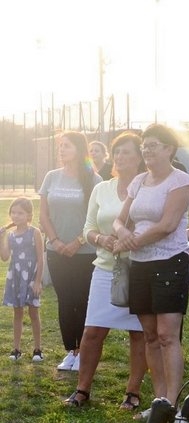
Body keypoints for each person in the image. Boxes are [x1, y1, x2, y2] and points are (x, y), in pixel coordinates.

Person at [113, 124, 189, 411]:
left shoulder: (180, 181)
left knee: (167, 335)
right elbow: (119, 220)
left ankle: (172, 401)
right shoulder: (138, 182)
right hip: (140, 266)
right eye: (144, 145)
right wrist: (122, 233)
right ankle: (159, 401)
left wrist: (131, 241)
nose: (146, 150)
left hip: (169, 262)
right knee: (150, 335)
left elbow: (168, 225)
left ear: (169, 149)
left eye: (153, 145)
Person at [64, 132, 147, 407]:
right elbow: (88, 228)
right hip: (104, 269)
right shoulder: (101, 189)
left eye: (127, 152)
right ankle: (83, 390)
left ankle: (132, 393)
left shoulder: (148, 188)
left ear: (140, 157)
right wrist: (102, 239)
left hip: (141, 269)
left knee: (139, 333)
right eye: (118, 152)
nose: (121, 157)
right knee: (92, 332)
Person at [39, 131, 102, 371]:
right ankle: (70, 351)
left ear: (78, 148)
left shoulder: (93, 179)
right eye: (60, 146)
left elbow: (94, 216)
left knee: (82, 299)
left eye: (66, 146)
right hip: (56, 251)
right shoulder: (51, 177)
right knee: (65, 299)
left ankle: (83, 351)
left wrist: (77, 241)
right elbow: (43, 214)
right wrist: (55, 241)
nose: (61, 150)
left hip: (85, 252)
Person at [0, 198, 44, 361]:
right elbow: (4, 257)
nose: (16, 216)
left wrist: (38, 281)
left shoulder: (35, 232)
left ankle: (38, 349)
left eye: (20, 213)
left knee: (33, 312)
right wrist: (2, 237)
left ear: (29, 215)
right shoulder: (11, 235)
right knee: (17, 313)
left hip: (31, 277)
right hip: (16, 277)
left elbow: (40, 258)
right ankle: (16, 349)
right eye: (13, 213)